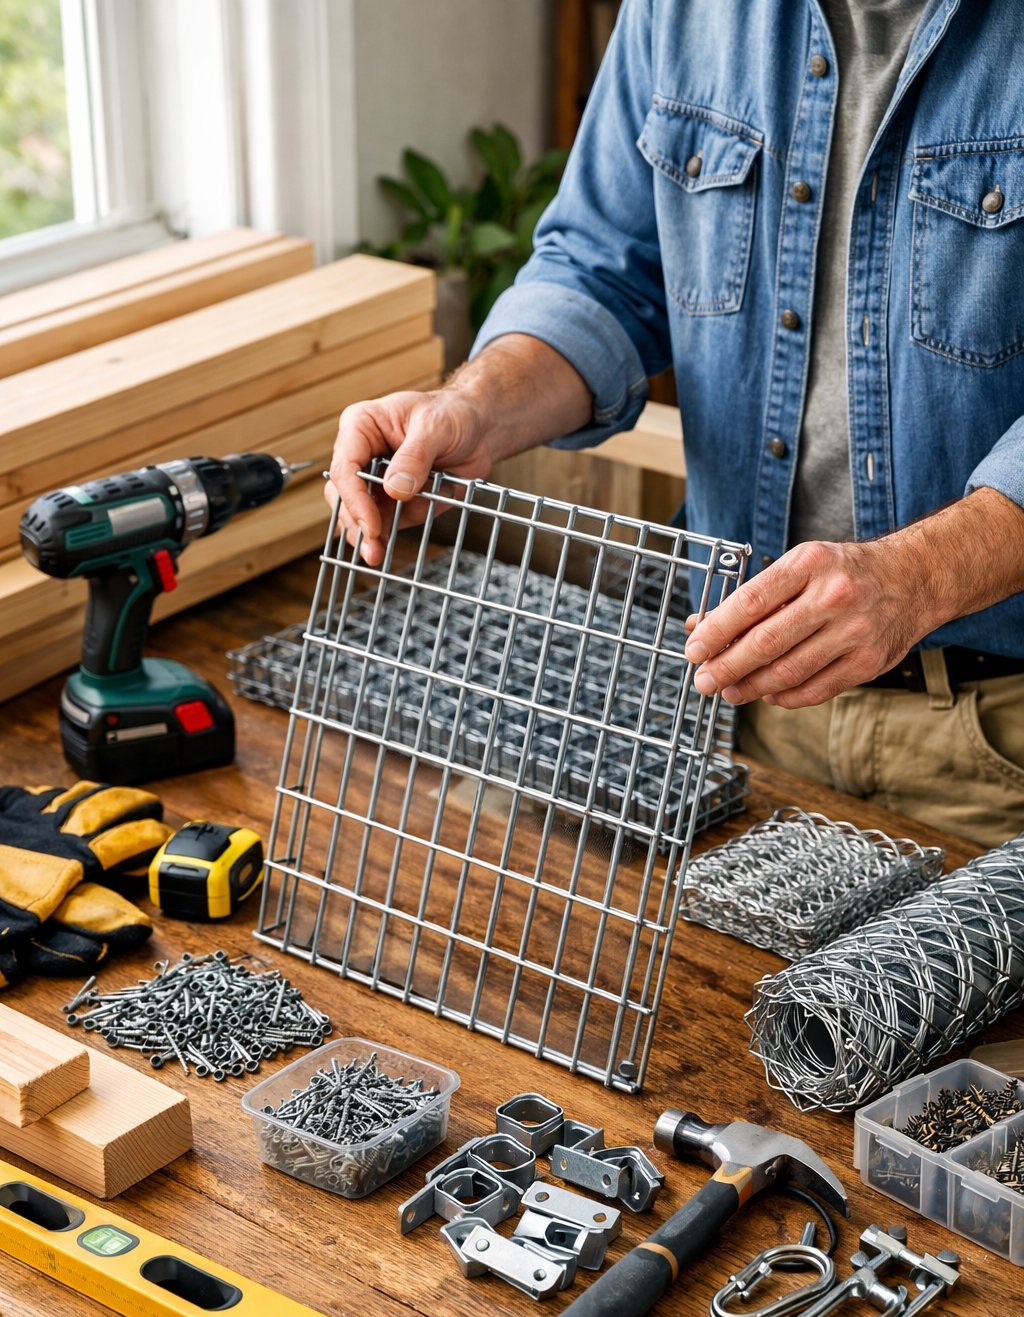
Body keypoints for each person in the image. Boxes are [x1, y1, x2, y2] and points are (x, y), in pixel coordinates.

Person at [327, 0, 1024, 848]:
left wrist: (920, 575)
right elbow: (602, 269)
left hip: (997, 735)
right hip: (740, 703)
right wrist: (471, 405)